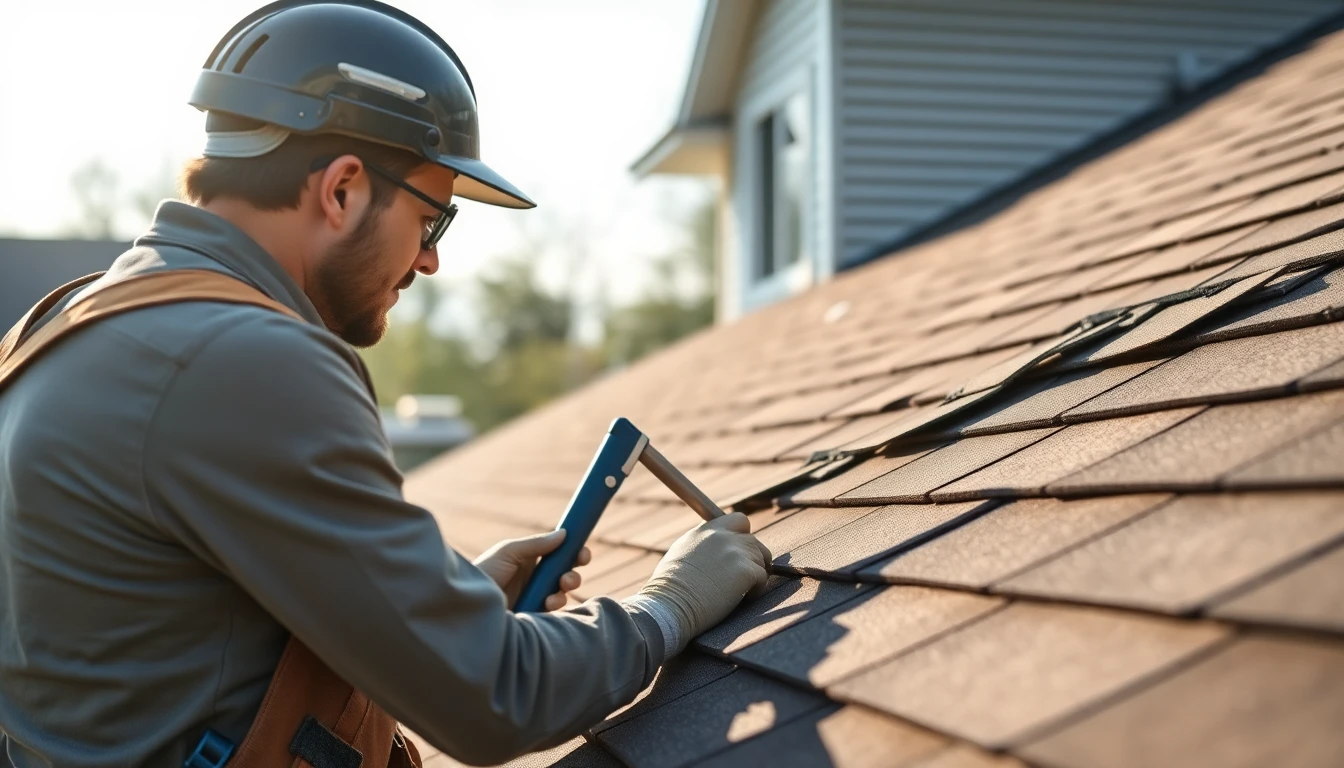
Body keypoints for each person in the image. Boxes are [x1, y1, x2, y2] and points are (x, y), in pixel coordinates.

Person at [0, 2, 771, 766]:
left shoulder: (69, 321)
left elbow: (171, 636)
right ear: (342, 190)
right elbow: (496, 698)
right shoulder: (245, 362)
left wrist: (432, 608)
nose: (431, 261)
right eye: (433, 220)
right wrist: (669, 605)